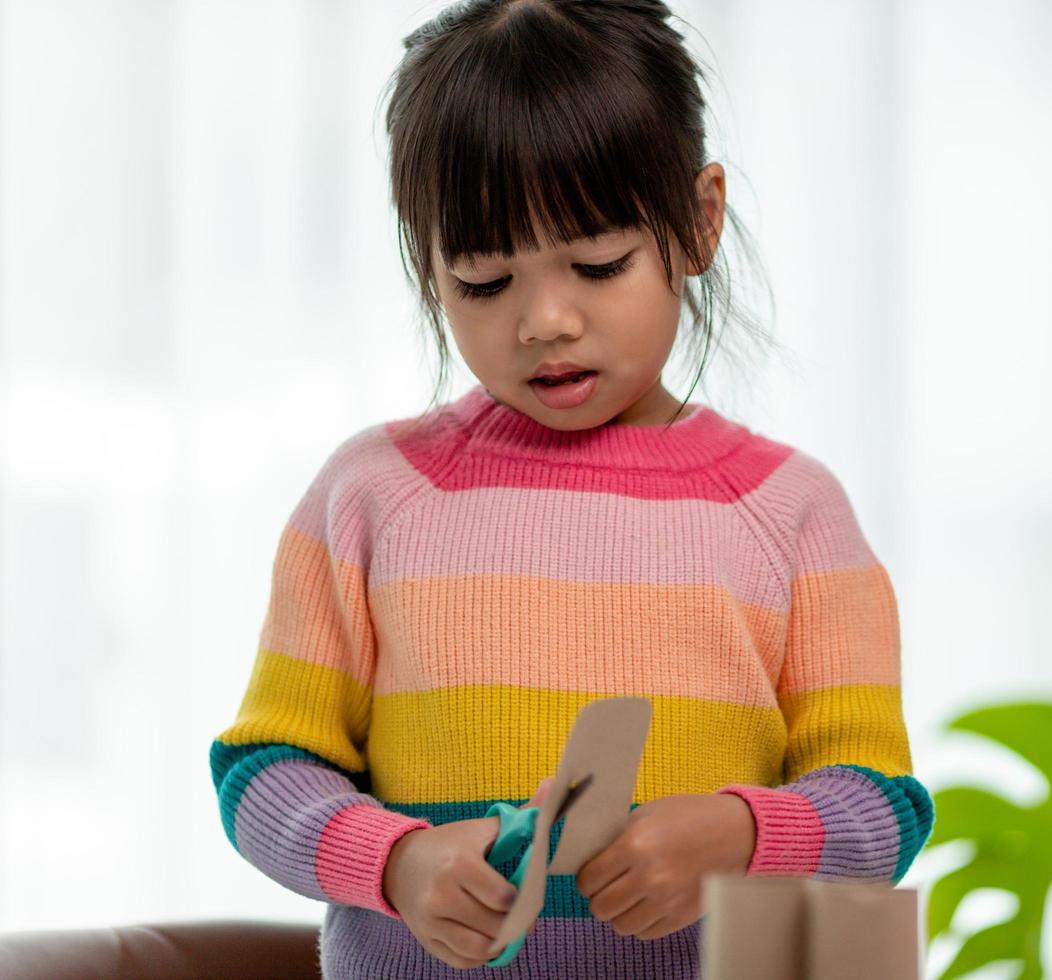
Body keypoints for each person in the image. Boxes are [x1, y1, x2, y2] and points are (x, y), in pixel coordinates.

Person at [207, 1, 934, 976]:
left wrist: (738, 834)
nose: (545, 320)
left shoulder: (794, 514)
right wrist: (397, 860)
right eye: (482, 281)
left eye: (597, 263)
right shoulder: (370, 496)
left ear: (699, 220)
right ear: (425, 261)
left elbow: (880, 808)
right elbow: (261, 773)